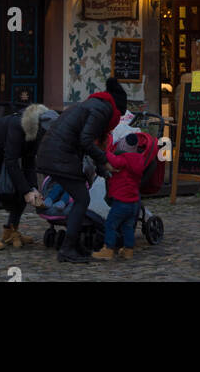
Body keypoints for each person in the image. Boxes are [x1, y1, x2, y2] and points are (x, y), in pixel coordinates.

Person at [35, 76, 127, 264]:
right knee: (82, 199)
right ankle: (68, 248)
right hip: (60, 156)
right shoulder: (102, 110)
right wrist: (104, 161)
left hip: (54, 154)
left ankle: (73, 245)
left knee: (80, 198)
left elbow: (84, 143)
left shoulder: (93, 105)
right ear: (117, 111)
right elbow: (86, 140)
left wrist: (101, 168)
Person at [0, 103, 57, 251]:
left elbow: (29, 161)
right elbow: (11, 160)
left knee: (22, 187)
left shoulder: (37, 132)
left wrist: (32, 188)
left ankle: (11, 231)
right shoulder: (17, 125)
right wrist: (27, 191)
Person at [91, 129, 157, 263]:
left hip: (121, 201)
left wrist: (104, 152)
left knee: (110, 224)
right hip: (133, 202)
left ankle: (108, 250)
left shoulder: (124, 160)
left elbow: (114, 161)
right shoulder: (139, 160)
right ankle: (128, 250)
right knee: (127, 227)